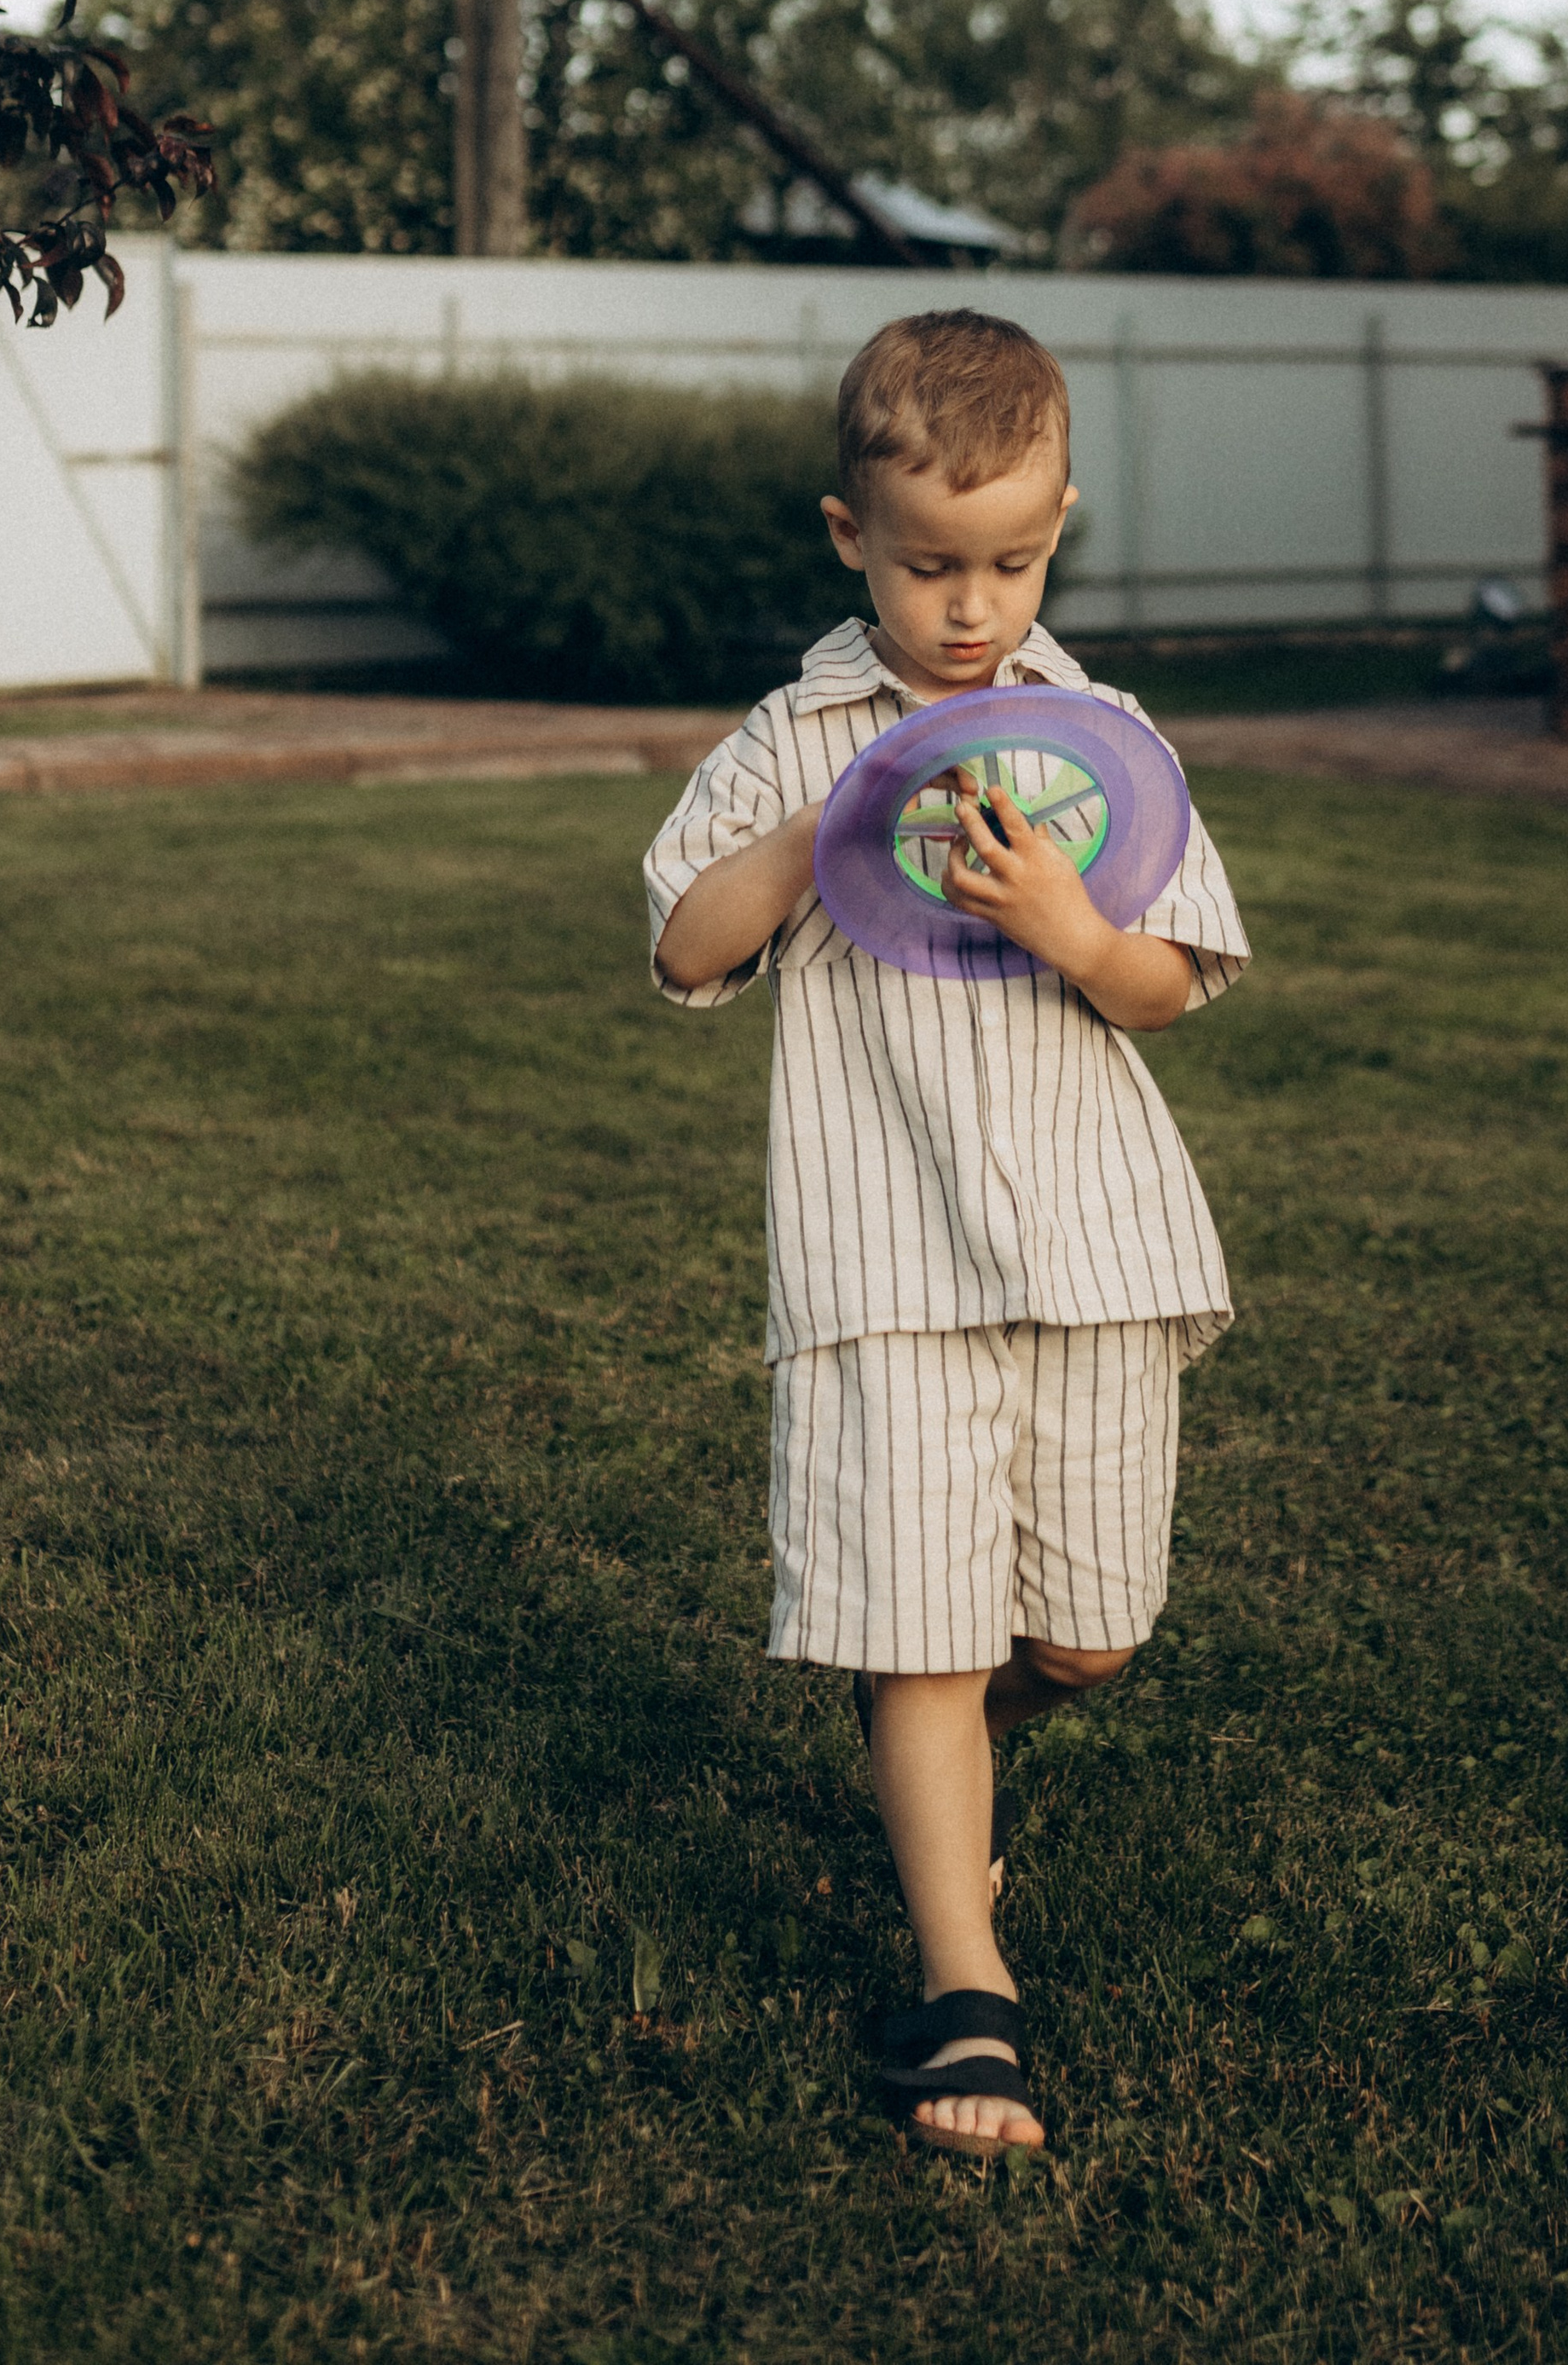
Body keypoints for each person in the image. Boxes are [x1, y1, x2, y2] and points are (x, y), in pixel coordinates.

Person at [643, 308, 1250, 2160]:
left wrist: (1073, 929)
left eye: (1008, 563)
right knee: (916, 1638)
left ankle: (968, 1717)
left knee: (1082, 1644)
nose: (967, 609)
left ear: (1058, 526)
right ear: (850, 538)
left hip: (1094, 1256)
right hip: (879, 1266)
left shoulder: (1104, 744)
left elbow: (1163, 984)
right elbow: (685, 945)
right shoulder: (800, 731)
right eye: (926, 568)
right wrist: (824, 825)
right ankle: (961, 1999)